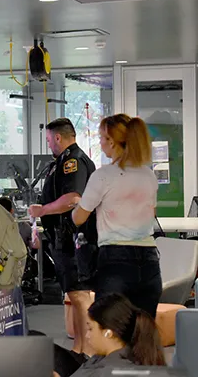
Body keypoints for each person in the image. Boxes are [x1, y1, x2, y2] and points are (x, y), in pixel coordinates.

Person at [72, 114, 161, 318]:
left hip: (115, 260)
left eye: (102, 137)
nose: (100, 142)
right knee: (143, 330)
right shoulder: (148, 175)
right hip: (149, 260)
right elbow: (151, 213)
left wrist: (79, 205)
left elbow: (79, 219)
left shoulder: (103, 175)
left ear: (111, 141)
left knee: (110, 331)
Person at [28, 118, 97, 356]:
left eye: (48, 140)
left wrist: (43, 210)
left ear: (58, 137)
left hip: (74, 239)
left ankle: (88, 349)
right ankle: (80, 346)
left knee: (80, 296)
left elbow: (73, 198)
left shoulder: (73, 162)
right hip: (63, 238)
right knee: (75, 295)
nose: (49, 145)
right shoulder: (62, 162)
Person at [61, 293, 165, 377]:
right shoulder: (109, 358)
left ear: (108, 333)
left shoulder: (108, 371)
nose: (87, 335)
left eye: (90, 329)